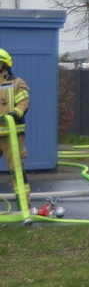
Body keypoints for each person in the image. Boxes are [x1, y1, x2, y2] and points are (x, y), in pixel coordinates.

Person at [0, 49, 30, 206]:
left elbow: (24, 103)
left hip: (12, 135)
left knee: (16, 170)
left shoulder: (16, 83)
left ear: (4, 64)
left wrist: (14, 114)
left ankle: (24, 205)